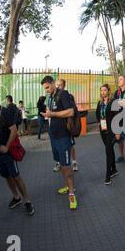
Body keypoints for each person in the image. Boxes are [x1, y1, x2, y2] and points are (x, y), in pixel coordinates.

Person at [0, 89, 35, 216]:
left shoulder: (4, 112)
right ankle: (16, 197)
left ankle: (27, 201)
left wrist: (6, 146)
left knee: (16, 177)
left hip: (7, 154)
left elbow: (14, 130)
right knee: (6, 177)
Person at [41, 76, 77, 210]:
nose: (46, 90)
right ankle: (68, 187)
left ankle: (72, 193)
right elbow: (51, 114)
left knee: (67, 166)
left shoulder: (63, 94)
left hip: (63, 137)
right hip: (53, 136)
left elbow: (70, 112)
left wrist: (52, 115)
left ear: (52, 83)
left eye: (47, 87)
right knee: (61, 164)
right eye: (44, 88)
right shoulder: (50, 98)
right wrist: (47, 115)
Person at [96, 84, 118, 185]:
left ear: (108, 91)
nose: (103, 92)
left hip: (112, 130)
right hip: (103, 130)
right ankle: (114, 169)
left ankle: (108, 175)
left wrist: (118, 131)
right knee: (110, 149)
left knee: (108, 151)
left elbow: (118, 117)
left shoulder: (113, 102)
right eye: (101, 91)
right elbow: (97, 114)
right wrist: (99, 124)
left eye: (105, 90)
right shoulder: (99, 103)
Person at [56, 79, 78, 172]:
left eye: (60, 85)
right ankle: (59, 163)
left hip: (67, 126)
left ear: (64, 86)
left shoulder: (68, 96)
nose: (58, 87)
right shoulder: (53, 96)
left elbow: (72, 110)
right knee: (58, 145)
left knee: (70, 144)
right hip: (57, 126)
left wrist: (71, 124)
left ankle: (74, 162)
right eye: (57, 85)